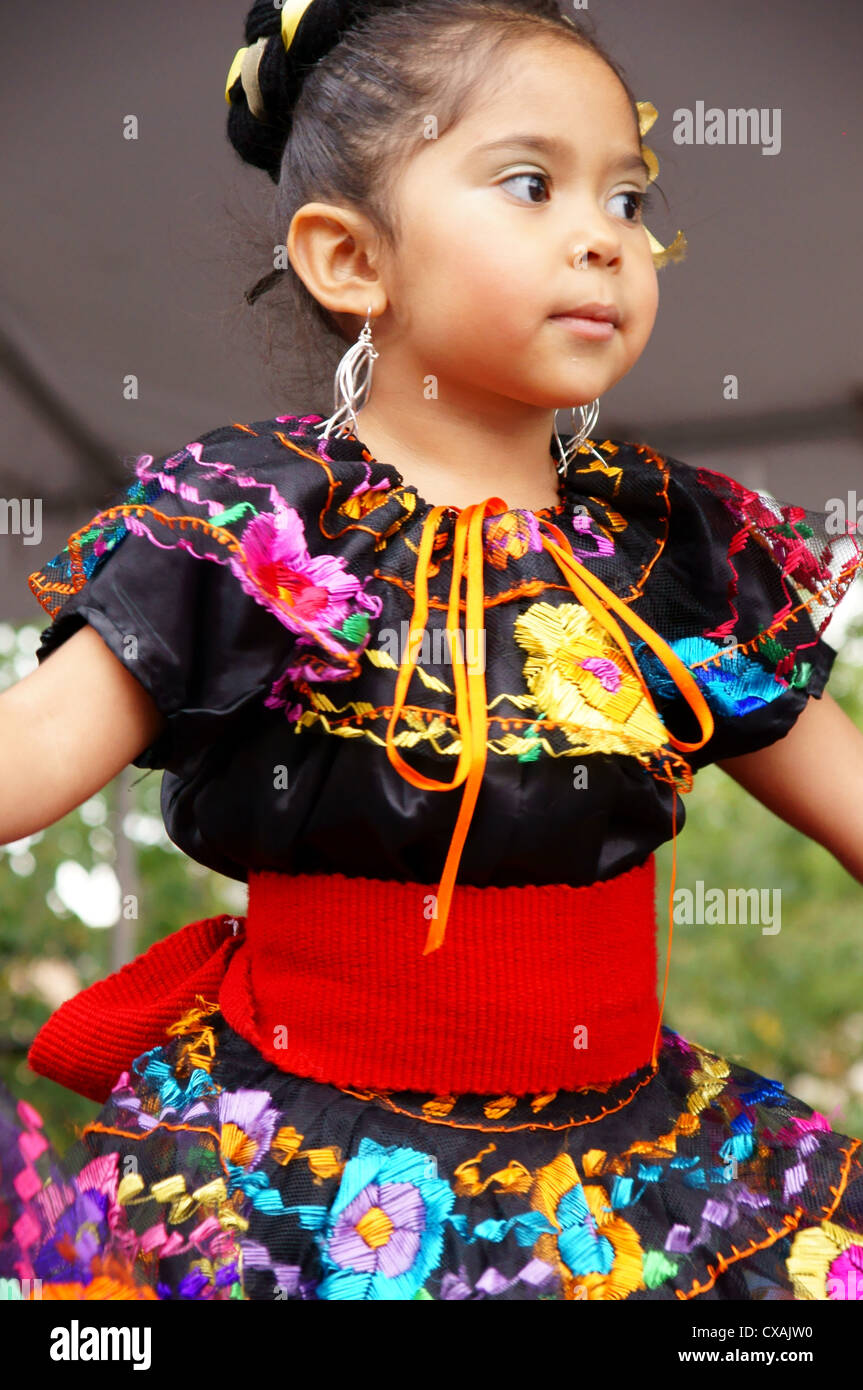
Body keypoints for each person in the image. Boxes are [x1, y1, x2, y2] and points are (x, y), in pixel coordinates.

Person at [1, 0, 862, 1302]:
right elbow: (31, 753)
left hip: (631, 1171)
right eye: (532, 182)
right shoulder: (252, 530)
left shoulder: (667, 546)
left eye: (629, 197)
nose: (605, 236)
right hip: (301, 1172)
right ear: (352, 259)